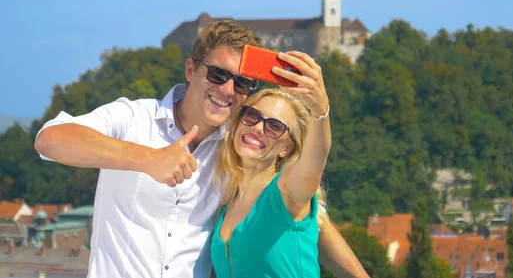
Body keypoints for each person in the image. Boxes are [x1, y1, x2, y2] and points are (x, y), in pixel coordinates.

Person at [34, 20, 368, 278]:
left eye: (241, 83)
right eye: (218, 74)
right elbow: (50, 139)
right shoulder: (135, 118)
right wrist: (147, 158)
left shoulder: (240, 147)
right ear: (192, 69)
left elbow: (310, 218)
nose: (227, 90)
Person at [209, 46, 332, 276]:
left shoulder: (286, 191)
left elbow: (313, 164)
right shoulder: (226, 202)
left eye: (274, 126)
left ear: (287, 148)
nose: (257, 127)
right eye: (252, 116)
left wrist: (320, 110)